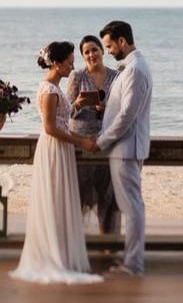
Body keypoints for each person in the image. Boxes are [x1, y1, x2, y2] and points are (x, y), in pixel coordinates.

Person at [11, 42, 101, 285]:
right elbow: (50, 128)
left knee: (61, 198)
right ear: (57, 63)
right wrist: (81, 142)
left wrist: (77, 105)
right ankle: (52, 255)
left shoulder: (54, 88)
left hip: (61, 147)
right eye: (70, 62)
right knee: (54, 198)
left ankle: (59, 250)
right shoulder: (49, 90)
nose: (73, 66)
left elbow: (61, 118)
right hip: (54, 148)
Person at [94, 20, 153, 279]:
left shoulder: (135, 70)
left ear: (122, 41)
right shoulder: (131, 68)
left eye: (109, 46)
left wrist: (102, 140)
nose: (107, 51)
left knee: (132, 209)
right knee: (130, 207)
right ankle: (132, 262)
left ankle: (133, 265)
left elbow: (128, 115)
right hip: (123, 148)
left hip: (125, 148)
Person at [67, 34, 120, 233]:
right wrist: (77, 105)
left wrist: (107, 108)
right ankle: (77, 243)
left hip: (105, 140)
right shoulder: (77, 76)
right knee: (80, 194)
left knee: (107, 194)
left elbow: (123, 109)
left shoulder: (116, 76)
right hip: (80, 142)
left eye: (94, 50)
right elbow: (66, 111)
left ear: (102, 51)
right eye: (86, 52)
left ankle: (108, 241)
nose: (91, 55)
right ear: (82, 56)